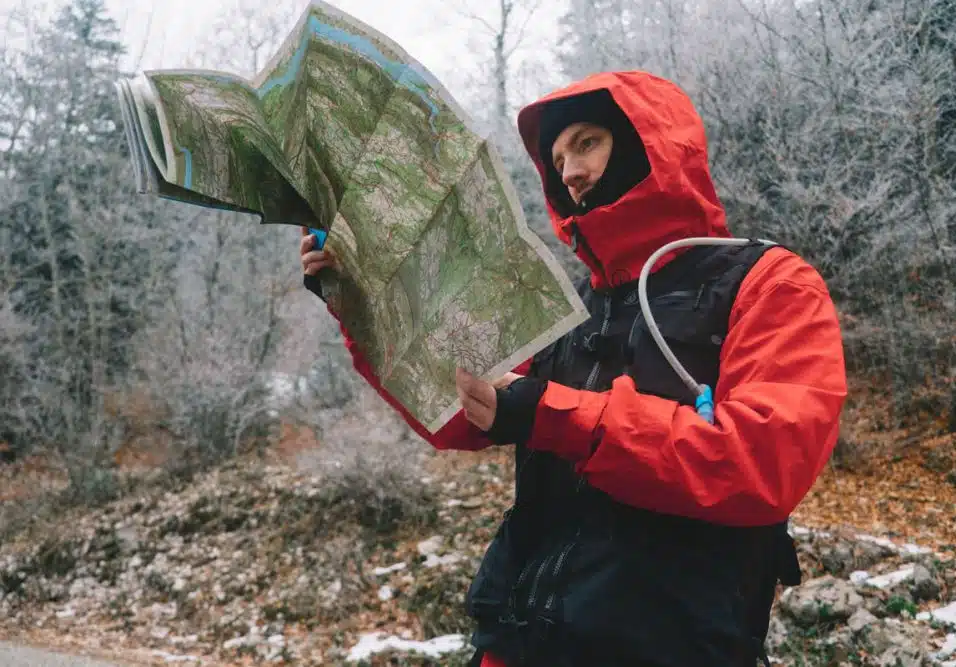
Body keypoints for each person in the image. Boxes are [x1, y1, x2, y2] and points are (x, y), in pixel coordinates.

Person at [301, 70, 847, 667]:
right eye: (558, 158)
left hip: (675, 646)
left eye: (588, 142)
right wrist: (356, 302)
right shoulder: (568, 307)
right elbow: (460, 413)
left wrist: (553, 415)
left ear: (650, 141)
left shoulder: (767, 282)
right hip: (519, 641)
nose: (570, 172)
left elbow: (763, 461)